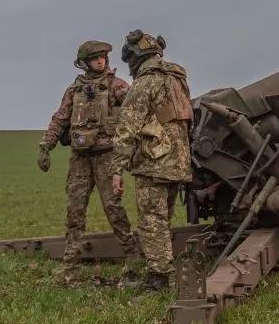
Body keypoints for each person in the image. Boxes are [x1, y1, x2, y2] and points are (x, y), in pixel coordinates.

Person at [38, 41, 141, 281]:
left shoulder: (116, 86)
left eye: (103, 57)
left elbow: (135, 111)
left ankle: (132, 255)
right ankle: (70, 262)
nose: (101, 61)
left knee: (113, 209)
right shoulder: (74, 90)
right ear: (84, 62)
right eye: (96, 58)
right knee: (75, 210)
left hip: (107, 156)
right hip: (80, 158)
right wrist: (46, 145)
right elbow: (60, 118)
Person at [110, 30, 193, 292]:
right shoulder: (177, 79)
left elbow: (127, 128)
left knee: (152, 221)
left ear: (134, 58)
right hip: (178, 161)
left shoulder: (145, 82)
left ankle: (159, 278)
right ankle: (162, 268)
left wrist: (116, 169)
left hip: (154, 162)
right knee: (163, 218)